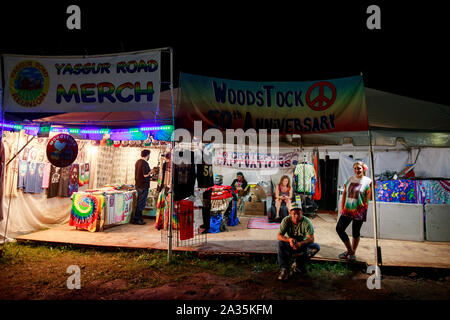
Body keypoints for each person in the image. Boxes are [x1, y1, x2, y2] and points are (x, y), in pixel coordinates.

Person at [336, 161, 373, 261]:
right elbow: (344, 194)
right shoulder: (350, 179)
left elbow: (370, 198)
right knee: (339, 229)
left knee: (355, 232)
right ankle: (350, 250)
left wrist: (372, 188)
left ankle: (353, 253)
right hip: (348, 209)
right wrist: (342, 207)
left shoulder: (368, 181)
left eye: (359, 168)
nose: (357, 170)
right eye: (355, 168)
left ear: (363, 169)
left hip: (359, 210)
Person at [277, 203, 320, 280]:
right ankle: (284, 269)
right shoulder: (286, 220)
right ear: (290, 213)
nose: (296, 216)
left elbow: (311, 238)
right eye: (294, 214)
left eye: (298, 214)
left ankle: (298, 264)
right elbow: (279, 236)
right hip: (290, 245)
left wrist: (300, 243)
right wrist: (289, 240)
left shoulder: (306, 221)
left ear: (302, 213)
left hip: (301, 245)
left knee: (315, 247)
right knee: (280, 244)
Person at [133, 149, 156, 225]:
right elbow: (145, 175)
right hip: (143, 186)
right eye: (149, 155)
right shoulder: (145, 163)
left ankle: (137, 218)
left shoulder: (138, 162)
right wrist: (151, 172)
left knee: (139, 202)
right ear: (147, 155)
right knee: (141, 203)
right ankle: (137, 219)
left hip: (138, 185)